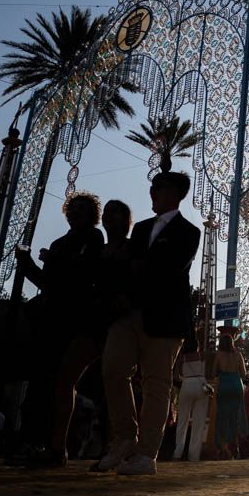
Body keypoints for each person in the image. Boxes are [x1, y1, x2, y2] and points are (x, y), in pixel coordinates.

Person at [97, 171, 202, 475]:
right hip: (129, 313)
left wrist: (138, 266)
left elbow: (170, 268)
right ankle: (125, 437)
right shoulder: (142, 228)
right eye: (152, 187)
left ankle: (146, 453)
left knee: (157, 383)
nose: (152, 192)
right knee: (113, 368)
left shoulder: (189, 231)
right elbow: (129, 266)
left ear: (175, 193)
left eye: (159, 187)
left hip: (166, 318)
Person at [14, 191, 106, 467]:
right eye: (72, 209)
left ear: (92, 215)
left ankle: (54, 445)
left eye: (81, 209)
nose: (75, 213)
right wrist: (27, 263)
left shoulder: (93, 238)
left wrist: (53, 261)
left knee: (61, 382)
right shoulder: (58, 244)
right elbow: (47, 283)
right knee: (40, 382)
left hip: (74, 320)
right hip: (49, 320)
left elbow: (84, 273)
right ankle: (33, 442)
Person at [171, 337, 211, 462]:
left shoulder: (182, 358)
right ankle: (194, 456)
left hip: (187, 384)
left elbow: (178, 375)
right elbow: (208, 372)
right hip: (201, 384)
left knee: (182, 421)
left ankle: (177, 453)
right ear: (197, 346)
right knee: (199, 423)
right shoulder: (202, 356)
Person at [212, 329, 248, 459]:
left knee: (223, 417)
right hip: (236, 385)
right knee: (235, 416)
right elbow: (244, 374)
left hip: (224, 385)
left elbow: (213, 372)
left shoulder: (219, 355)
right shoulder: (238, 355)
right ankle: (236, 447)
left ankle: (224, 447)